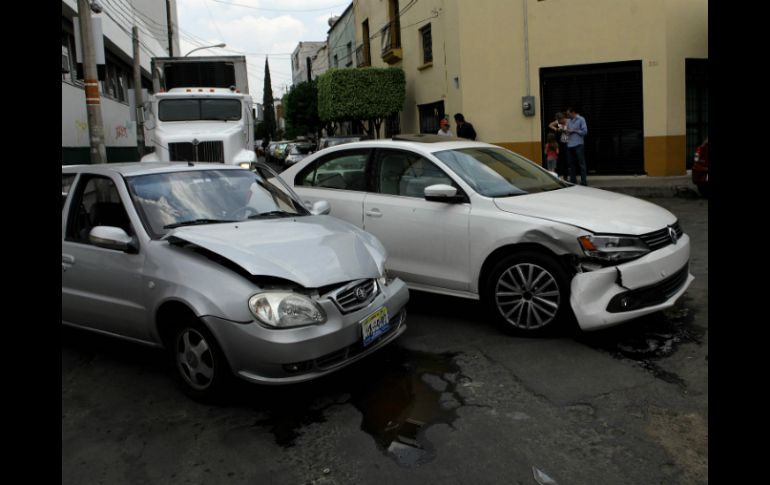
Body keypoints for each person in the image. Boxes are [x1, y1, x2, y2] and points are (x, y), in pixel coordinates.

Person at [565, 107, 588, 185]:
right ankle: (573, 181)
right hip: (570, 145)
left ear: (573, 112)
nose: (568, 116)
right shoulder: (569, 121)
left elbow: (585, 131)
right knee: (571, 164)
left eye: (568, 114)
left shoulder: (581, 119)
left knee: (581, 164)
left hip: (579, 144)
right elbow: (567, 131)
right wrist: (567, 132)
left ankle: (584, 182)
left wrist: (574, 131)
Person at [548, 112, 569, 178]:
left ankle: (567, 175)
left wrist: (565, 130)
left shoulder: (569, 121)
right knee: (562, 159)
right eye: (558, 121)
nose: (559, 122)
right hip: (562, 142)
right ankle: (562, 174)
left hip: (569, 142)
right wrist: (556, 129)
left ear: (562, 118)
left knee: (568, 159)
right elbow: (550, 125)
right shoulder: (558, 122)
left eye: (560, 121)